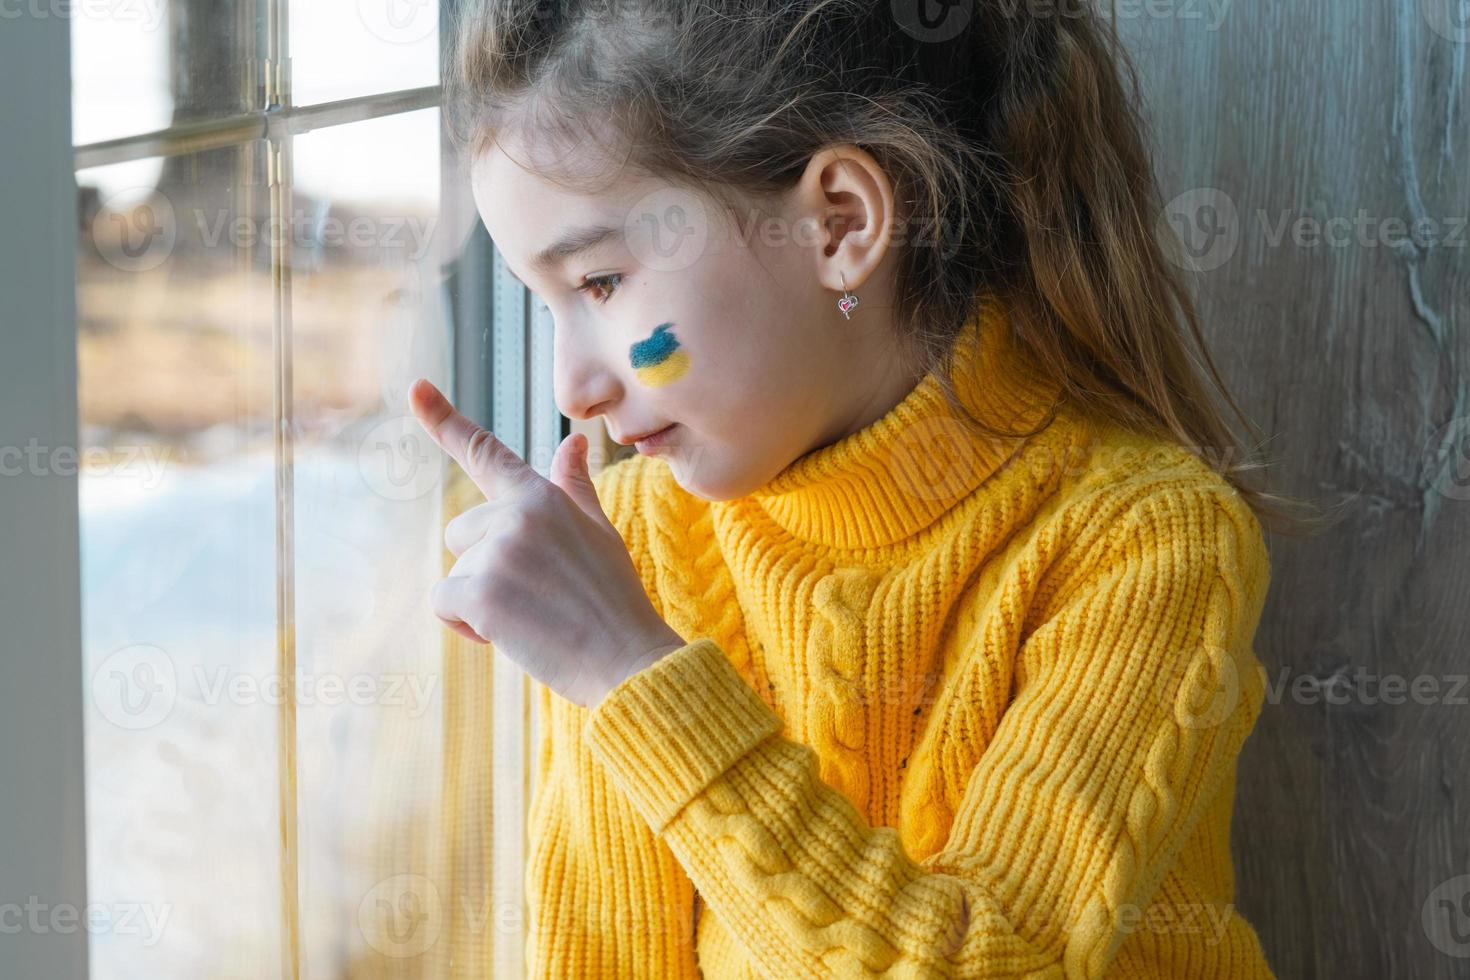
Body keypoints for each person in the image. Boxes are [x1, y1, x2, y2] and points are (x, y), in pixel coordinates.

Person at [421, 0, 1317, 975]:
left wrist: (634, 672)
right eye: (542, 300)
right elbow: (607, 955)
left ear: (840, 224)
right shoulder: (631, 538)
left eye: (598, 284)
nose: (571, 388)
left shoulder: (1147, 544)